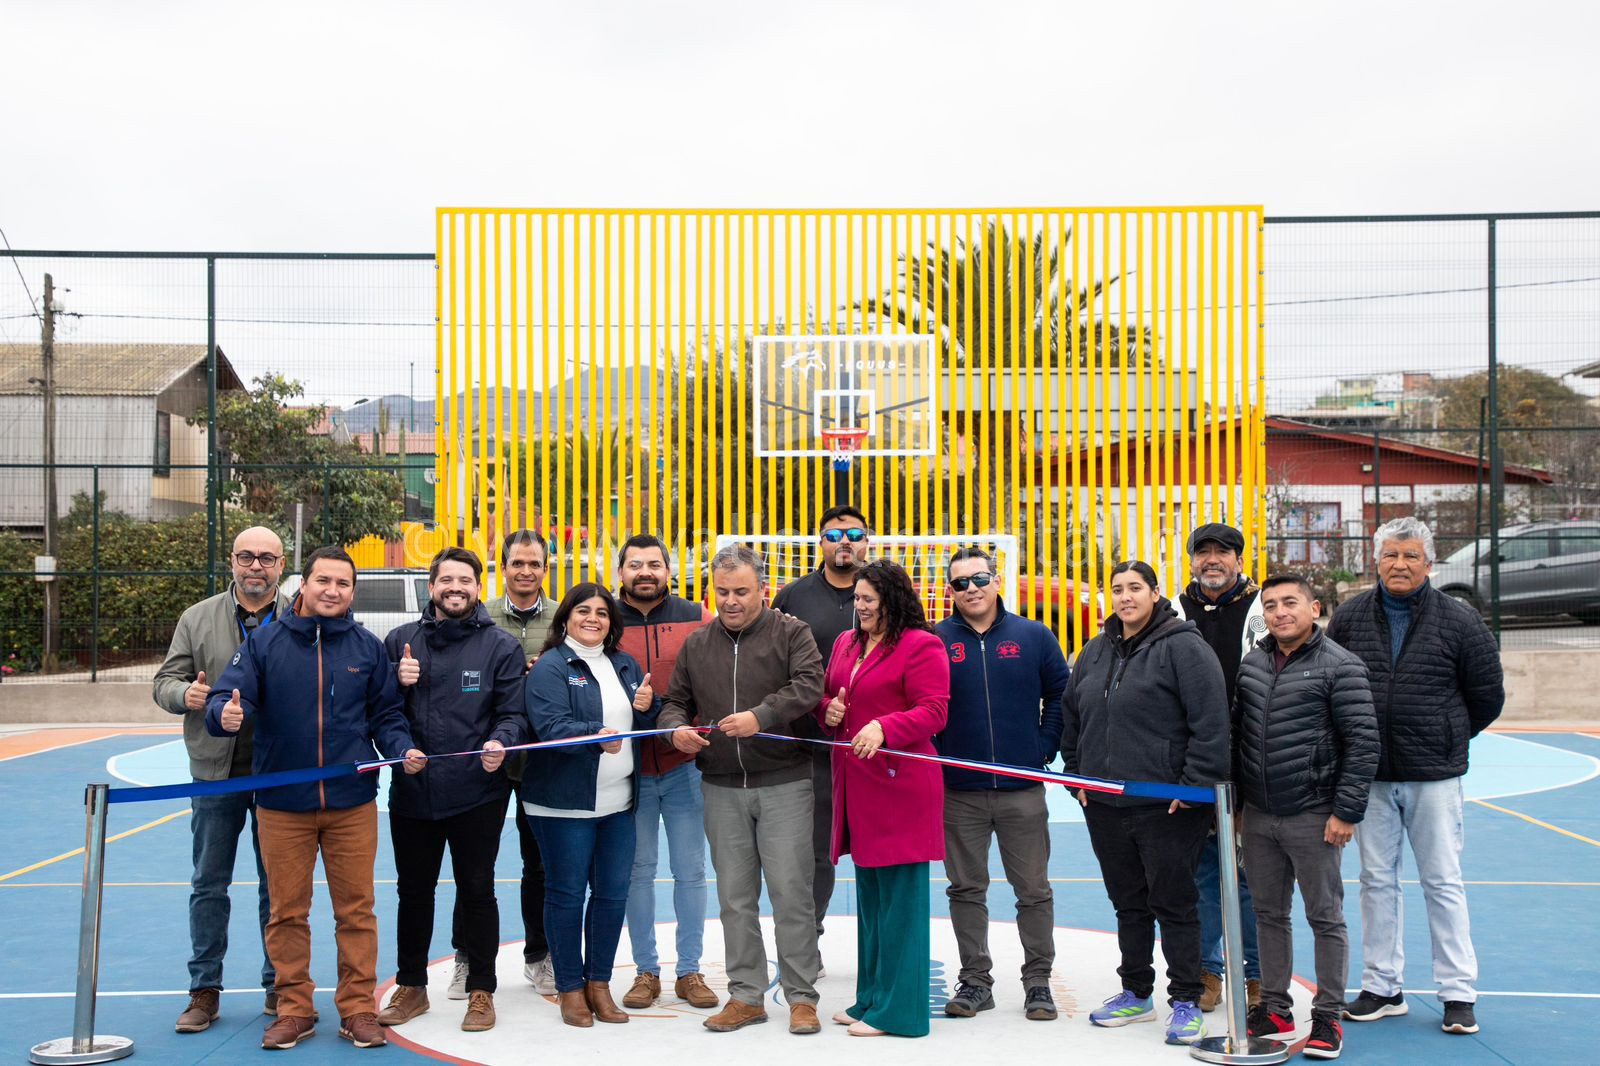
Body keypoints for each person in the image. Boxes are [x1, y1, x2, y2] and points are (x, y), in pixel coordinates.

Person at [206, 546, 427, 1051]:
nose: (332, 590)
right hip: (283, 806)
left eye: (342, 583)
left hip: (352, 804)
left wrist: (402, 749)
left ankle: (357, 1008)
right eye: (323, 580)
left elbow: (387, 716)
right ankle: (294, 1009)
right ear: (303, 584)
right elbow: (225, 696)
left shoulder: (367, 648)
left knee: (357, 911)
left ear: (352, 591)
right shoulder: (264, 644)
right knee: (286, 912)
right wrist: (224, 715)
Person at [1328, 516, 1504, 1037]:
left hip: (1434, 776)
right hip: (1371, 775)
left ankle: (1458, 992)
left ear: (1429, 563)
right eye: (1390, 554)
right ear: (1375, 560)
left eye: (1410, 556)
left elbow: (1487, 695)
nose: (1399, 564)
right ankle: (1383, 986)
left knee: (1442, 881)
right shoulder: (1350, 617)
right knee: (1376, 881)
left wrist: (1447, 734)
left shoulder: (1460, 620)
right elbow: (1331, 688)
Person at [659, 545, 826, 1036]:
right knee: (735, 899)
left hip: (786, 783)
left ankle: (801, 997)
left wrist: (762, 716)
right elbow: (675, 701)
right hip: (720, 787)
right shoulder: (697, 644)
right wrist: (674, 730)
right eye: (722, 591)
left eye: (741, 591)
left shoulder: (792, 633)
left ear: (763, 590)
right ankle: (747, 996)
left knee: (792, 895)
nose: (730, 601)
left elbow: (809, 685)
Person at [1060, 560, 1228, 1048]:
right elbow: (1073, 717)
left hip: (1166, 807)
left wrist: (1191, 787)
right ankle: (1136, 993)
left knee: (1174, 903)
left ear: (1155, 593)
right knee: (1128, 904)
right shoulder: (1094, 651)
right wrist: (1077, 778)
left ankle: (1187, 999)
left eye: (1135, 588)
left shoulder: (1185, 647)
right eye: (1117, 589)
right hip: (1105, 805)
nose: (1125, 597)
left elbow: (1211, 722)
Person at [374, 547, 527, 1034]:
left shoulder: (501, 646)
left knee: (478, 891)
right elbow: (383, 714)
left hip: (478, 793)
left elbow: (513, 713)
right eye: (446, 580)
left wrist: (501, 742)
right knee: (413, 893)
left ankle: (481, 990)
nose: (455, 588)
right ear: (432, 586)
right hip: (413, 793)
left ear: (478, 588)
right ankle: (412, 986)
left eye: (465, 580)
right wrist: (400, 746)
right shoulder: (400, 642)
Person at [1235, 573, 1378, 1060]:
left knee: (1325, 917)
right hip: (1260, 815)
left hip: (1314, 814)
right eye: (1271, 605)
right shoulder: (1252, 665)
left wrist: (1345, 811)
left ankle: (1328, 1016)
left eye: (1290, 602)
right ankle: (1275, 1007)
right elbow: (1239, 738)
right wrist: (1239, 806)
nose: (1280, 612)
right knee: (1268, 914)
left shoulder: (1341, 665)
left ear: (1313, 609)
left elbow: (1363, 743)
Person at [154, 526, 291, 1033]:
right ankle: (204, 988)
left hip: (279, 772)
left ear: (281, 565)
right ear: (232, 561)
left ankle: (280, 983)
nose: (256, 566)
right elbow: (164, 682)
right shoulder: (197, 618)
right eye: (246, 557)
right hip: (215, 773)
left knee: (278, 886)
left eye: (266, 558)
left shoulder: (300, 617)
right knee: (209, 882)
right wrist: (185, 697)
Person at [932, 547, 1068, 1021]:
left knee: (1033, 890)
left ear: (996, 580)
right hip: (959, 792)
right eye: (960, 583)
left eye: (979, 579)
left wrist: (1044, 747)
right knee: (965, 889)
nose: (971, 589)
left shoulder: (1034, 635)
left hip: (1022, 790)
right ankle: (975, 981)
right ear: (950, 591)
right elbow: (921, 703)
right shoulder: (934, 640)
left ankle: (1038, 982)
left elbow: (1061, 694)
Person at [820, 558, 950, 1038]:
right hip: (858, 787)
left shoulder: (922, 644)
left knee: (901, 907)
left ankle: (901, 1014)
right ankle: (872, 999)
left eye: (868, 599)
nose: (860, 607)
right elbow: (829, 696)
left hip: (901, 789)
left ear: (892, 600)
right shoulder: (846, 642)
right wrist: (828, 710)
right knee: (873, 905)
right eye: (856, 598)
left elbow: (934, 711)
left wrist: (884, 726)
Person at [521, 582, 659, 1028]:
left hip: (618, 804)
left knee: (612, 895)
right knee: (565, 896)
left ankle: (599, 984)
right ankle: (570, 988)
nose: (593, 619)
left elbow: (641, 721)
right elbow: (550, 726)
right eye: (583, 611)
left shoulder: (624, 663)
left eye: (601, 612)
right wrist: (593, 736)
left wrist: (649, 706)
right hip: (563, 806)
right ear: (566, 617)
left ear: (611, 622)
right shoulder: (550, 666)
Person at [612, 534, 718, 1011]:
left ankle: (689, 970)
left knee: (691, 870)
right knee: (637, 872)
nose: (645, 572)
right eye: (635, 565)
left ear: (668, 571)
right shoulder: (605, 619)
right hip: (628, 771)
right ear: (621, 573)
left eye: (654, 564)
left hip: (684, 767)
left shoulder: (698, 617)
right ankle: (646, 971)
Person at [1174, 522, 1264, 1013]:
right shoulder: (1174, 610)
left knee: (1250, 878)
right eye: (1203, 551)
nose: (1212, 559)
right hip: (1191, 766)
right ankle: (1209, 970)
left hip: (1249, 765)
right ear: (1191, 560)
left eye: (1222, 552)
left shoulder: (1260, 609)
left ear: (1238, 560)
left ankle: (1257, 975)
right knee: (1202, 875)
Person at [771, 504, 868, 957]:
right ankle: (808, 939)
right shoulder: (793, 597)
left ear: (867, 541)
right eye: (834, 535)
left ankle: (882, 947)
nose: (844, 542)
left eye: (854, 534)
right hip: (811, 746)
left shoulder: (885, 593)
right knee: (815, 850)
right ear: (820, 542)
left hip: (876, 746)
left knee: (878, 849)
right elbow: (773, 665)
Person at [484, 528, 560, 996]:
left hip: (543, 760)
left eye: (535, 564)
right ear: (504, 566)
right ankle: (470, 957)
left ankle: (540, 956)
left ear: (545, 569)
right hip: (489, 756)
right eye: (518, 563)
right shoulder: (481, 614)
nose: (526, 571)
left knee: (541, 866)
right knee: (477, 864)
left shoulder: (563, 618)